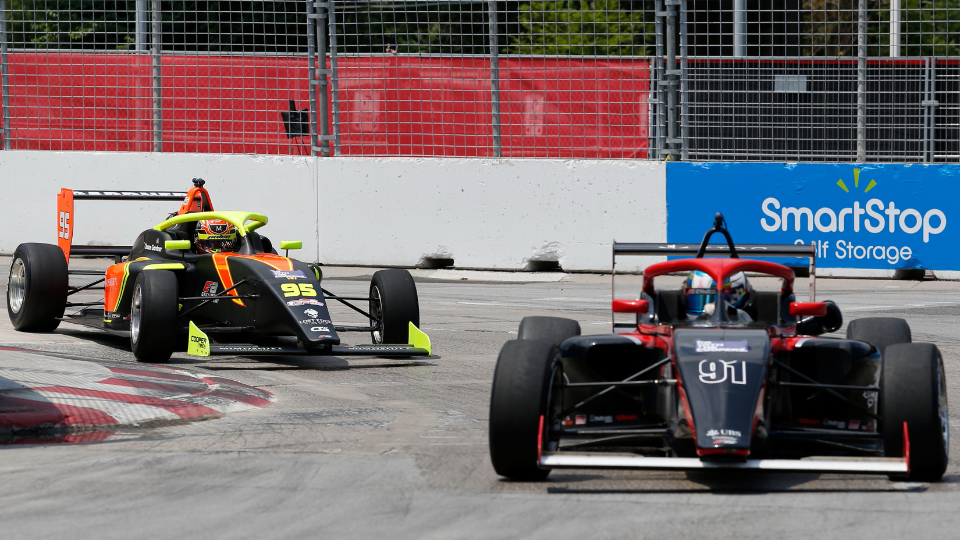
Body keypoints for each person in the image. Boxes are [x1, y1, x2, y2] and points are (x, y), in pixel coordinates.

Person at [682, 270, 753, 323]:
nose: (706, 309)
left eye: (714, 300)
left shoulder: (744, 319)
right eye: (697, 300)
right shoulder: (682, 320)